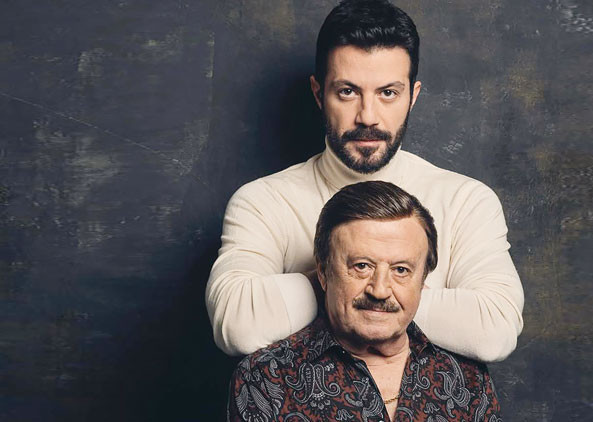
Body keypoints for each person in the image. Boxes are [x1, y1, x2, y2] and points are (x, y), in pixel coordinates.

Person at [206, 0, 524, 363]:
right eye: (347, 91)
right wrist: (343, 283)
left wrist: (356, 289)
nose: (368, 116)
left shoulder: (466, 201)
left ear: (412, 96)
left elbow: (495, 331)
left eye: (388, 93)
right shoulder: (263, 202)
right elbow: (236, 325)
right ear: (318, 93)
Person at [228, 181, 502, 421]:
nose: (379, 291)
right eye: (361, 266)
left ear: (422, 281)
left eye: (401, 270)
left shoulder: (468, 379)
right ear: (323, 272)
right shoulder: (267, 377)